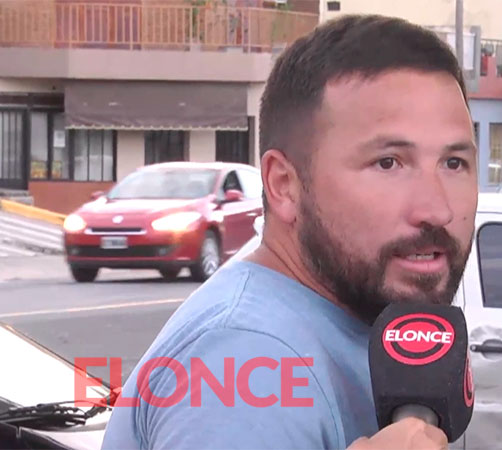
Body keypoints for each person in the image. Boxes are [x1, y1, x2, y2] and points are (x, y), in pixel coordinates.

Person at [100, 14, 478, 450]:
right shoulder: (249, 360)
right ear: (284, 185)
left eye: (454, 163)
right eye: (388, 163)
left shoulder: (352, 318)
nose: (437, 210)